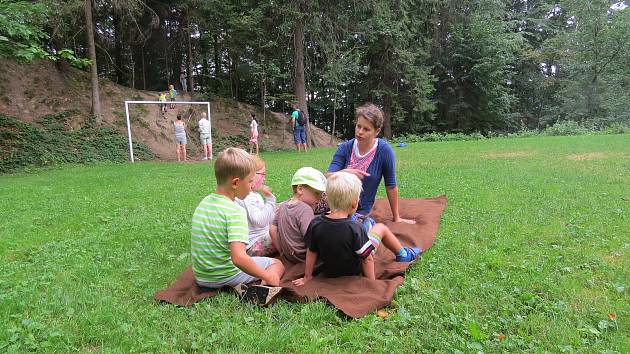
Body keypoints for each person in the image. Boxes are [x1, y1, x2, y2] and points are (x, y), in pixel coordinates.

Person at [293, 172, 421, 286]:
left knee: (366, 225)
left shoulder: (315, 223)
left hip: (331, 270)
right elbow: (367, 259)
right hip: (355, 269)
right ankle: (403, 254)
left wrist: (307, 276)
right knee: (380, 228)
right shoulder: (355, 228)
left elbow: (312, 251)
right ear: (355, 203)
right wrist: (371, 284)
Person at [191, 148, 284, 304]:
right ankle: (262, 288)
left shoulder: (203, 203)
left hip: (202, 277)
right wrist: (267, 275)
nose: (251, 186)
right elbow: (239, 258)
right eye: (249, 182)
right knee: (277, 264)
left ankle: (243, 285)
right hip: (224, 275)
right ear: (235, 183)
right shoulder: (235, 212)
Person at [326, 103, 415, 224]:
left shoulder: (384, 151)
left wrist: (396, 217)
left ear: (377, 131)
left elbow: (391, 186)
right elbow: (327, 176)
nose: (360, 132)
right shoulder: (345, 148)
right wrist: (346, 172)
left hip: (358, 211)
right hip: (334, 206)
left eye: (366, 129)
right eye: (358, 126)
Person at [269, 167, 326, 263]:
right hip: (304, 257)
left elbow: (272, 229)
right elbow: (311, 240)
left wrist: (281, 251)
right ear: (300, 189)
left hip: (289, 256)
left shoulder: (282, 205)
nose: (320, 198)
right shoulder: (305, 209)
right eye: (317, 193)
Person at [235, 156, 277, 257]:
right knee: (286, 234)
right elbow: (259, 221)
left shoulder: (252, 195)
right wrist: (271, 201)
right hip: (253, 246)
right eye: (262, 174)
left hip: (258, 240)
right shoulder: (247, 197)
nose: (264, 178)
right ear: (251, 175)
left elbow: (267, 220)